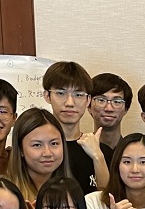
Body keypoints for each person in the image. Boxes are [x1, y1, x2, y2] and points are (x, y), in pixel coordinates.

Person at [43, 61, 109, 195]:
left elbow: (107, 199)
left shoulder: (103, 152)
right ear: (47, 96)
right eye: (61, 93)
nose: (69, 103)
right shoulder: (40, 150)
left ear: (88, 100)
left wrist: (98, 156)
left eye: (78, 95)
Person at [7, 107, 71, 209]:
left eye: (54, 143)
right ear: (20, 149)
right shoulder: (5, 192)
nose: (47, 153)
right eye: (37, 145)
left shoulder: (72, 192)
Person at [89, 72, 133, 161]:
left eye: (117, 102)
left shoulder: (133, 153)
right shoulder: (80, 148)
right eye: (101, 100)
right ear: (89, 106)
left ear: (126, 109)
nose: (109, 108)